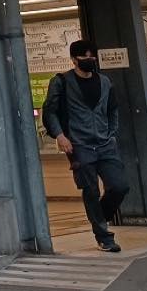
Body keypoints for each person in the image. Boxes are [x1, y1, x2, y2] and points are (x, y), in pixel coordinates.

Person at [42, 39, 130, 253]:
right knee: (90, 191)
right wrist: (60, 136)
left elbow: (113, 109)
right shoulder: (61, 82)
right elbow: (50, 111)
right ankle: (104, 237)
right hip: (78, 145)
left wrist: (111, 133)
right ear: (74, 59)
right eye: (84, 57)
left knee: (119, 186)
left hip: (105, 143)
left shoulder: (105, 82)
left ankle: (98, 216)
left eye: (92, 57)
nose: (90, 60)